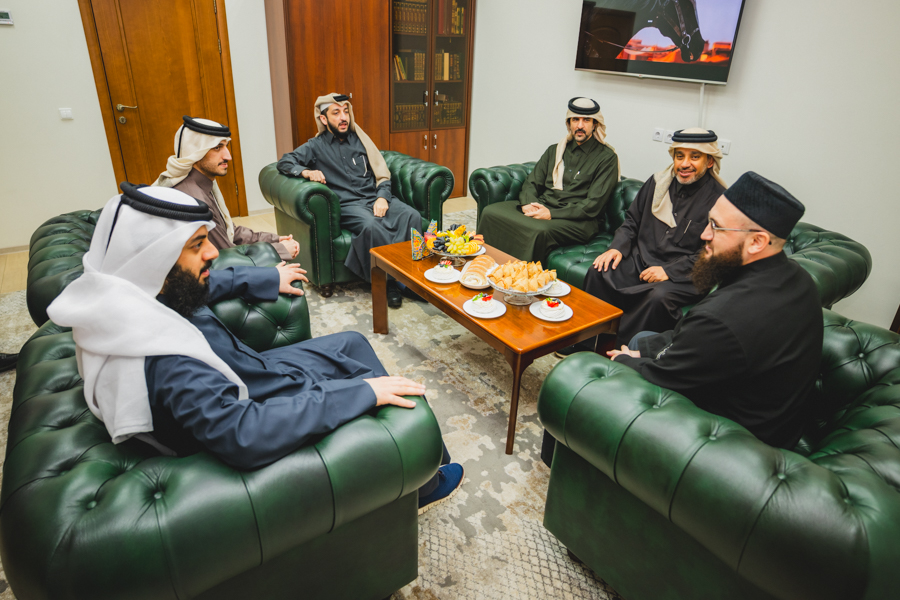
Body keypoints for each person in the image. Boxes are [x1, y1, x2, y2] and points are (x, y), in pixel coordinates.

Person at [47, 183, 464, 513]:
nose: (213, 251)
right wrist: (360, 393)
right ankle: (422, 482)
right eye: (196, 245)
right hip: (253, 395)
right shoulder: (170, 362)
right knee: (376, 384)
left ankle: (430, 461)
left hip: (244, 365)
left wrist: (265, 278)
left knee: (353, 342)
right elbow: (244, 433)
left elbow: (204, 283)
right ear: (156, 260)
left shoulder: (141, 293)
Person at [608, 171, 821, 449]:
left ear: (757, 242)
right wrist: (645, 351)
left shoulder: (723, 317)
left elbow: (664, 377)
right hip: (764, 408)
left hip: (734, 441)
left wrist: (623, 361)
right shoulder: (798, 279)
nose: (704, 235)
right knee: (641, 339)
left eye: (716, 227)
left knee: (613, 370)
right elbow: (699, 340)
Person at [561, 127, 726, 354]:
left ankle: (618, 353)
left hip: (683, 274)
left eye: (694, 157)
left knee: (658, 297)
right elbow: (632, 221)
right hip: (641, 259)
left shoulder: (720, 200)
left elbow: (712, 252)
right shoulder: (658, 182)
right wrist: (617, 248)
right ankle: (584, 342)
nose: (684, 164)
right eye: (680, 156)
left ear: (709, 161)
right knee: (599, 271)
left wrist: (669, 271)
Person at [276, 93, 423, 308]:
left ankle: (413, 276)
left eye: (345, 112)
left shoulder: (361, 140)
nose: (343, 117)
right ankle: (389, 283)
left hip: (374, 197)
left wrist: (382, 197)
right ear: (324, 119)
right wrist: (306, 172)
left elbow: (381, 174)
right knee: (372, 226)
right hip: (348, 205)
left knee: (412, 216)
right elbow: (284, 162)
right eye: (336, 113)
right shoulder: (314, 146)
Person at [477, 97, 619, 263]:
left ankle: (516, 276)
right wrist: (528, 204)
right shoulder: (555, 150)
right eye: (575, 119)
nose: (580, 126)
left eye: (586, 120)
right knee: (491, 212)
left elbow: (593, 205)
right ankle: (483, 267)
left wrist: (551, 214)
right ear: (569, 123)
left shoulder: (606, 158)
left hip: (579, 221)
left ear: (595, 124)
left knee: (537, 231)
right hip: (544, 206)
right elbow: (532, 182)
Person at [154, 116, 300, 261]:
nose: (228, 156)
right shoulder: (194, 199)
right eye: (217, 147)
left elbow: (229, 232)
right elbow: (226, 257)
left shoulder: (201, 184)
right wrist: (279, 250)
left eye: (226, 146)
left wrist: (274, 239)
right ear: (195, 152)